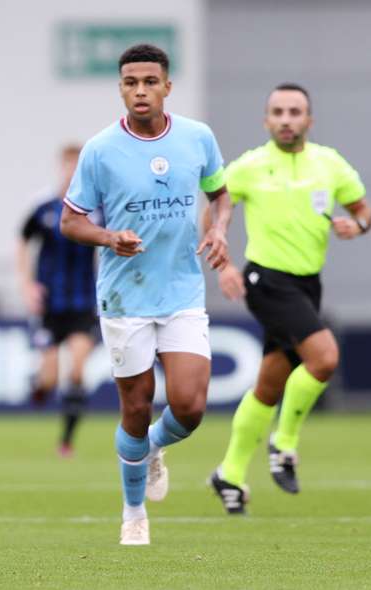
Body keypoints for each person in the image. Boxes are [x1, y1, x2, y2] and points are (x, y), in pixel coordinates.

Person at [59, 44, 232, 545]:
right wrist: (110, 237)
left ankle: (154, 448)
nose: (140, 90)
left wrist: (219, 229)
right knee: (135, 408)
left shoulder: (197, 138)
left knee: (191, 405)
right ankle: (133, 512)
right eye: (131, 82)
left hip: (181, 290)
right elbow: (71, 222)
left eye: (149, 81)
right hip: (125, 296)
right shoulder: (100, 150)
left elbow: (220, 196)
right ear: (121, 88)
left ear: (166, 87)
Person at [208, 83, 371, 514]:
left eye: (294, 111)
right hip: (266, 280)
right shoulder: (249, 166)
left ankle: (229, 473)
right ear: (266, 120)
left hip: (306, 285)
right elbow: (214, 206)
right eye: (277, 112)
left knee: (268, 386)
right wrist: (223, 262)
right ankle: (284, 445)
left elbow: (364, 210)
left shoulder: (329, 163)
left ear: (308, 120)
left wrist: (360, 225)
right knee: (324, 358)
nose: (286, 119)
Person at [16, 144, 97, 457]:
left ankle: (66, 442)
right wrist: (27, 285)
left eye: (79, 166)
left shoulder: (96, 208)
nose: (73, 171)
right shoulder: (45, 206)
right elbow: (23, 240)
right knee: (49, 379)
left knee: (76, 371)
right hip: (50, 305)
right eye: (69, 165)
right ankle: (38, 385)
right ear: (61, 166)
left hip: (83, 304)